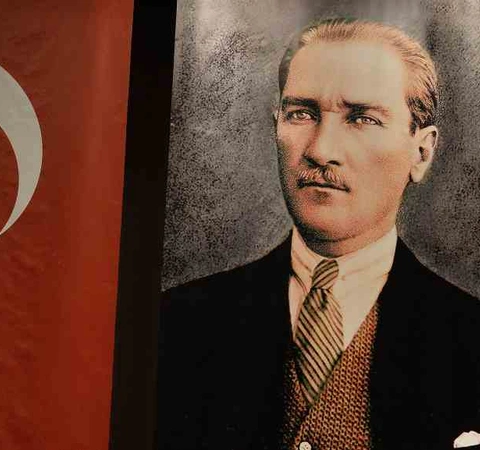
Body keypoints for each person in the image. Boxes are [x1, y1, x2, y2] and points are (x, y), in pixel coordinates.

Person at [156, 18, 480, 450]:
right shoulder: (175, 324)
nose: (320, 150)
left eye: (362, 118)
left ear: (421, 152)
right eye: (302, 114)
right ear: (276, 126)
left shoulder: (470, 338)